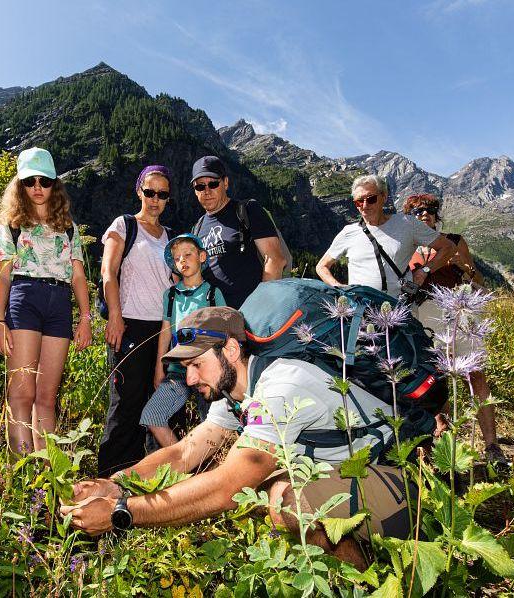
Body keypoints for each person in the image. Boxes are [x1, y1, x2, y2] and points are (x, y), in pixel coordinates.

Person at [62, 307, 411, 570]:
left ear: (230, 350)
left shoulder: (281, 385)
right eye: (185, 368)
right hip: (353, 481)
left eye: (196, 364)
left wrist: (122, 512)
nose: (189, 378)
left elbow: (227, 488)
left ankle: (362, 584)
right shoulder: (237, 392)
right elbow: (184, 452)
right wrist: (115, 484)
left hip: (402, 482)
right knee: (271, 493)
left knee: (283, 497)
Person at [0, 147, 92, 454]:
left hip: (59, 305)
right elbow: (3, 275)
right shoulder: (12, 224)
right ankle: (24, 475)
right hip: (24, 300)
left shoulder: (68, 227)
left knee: (47, 397)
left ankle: (46, 478)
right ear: (19, 186)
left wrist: (86, 318)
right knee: (21, 393)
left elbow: (77, 276)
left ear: (54, 185)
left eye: (44, 181)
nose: (37, 187)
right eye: (29, 181)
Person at [403, 193, 505, 464]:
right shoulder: (408, 248)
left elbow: (479, 282)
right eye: (416, 212)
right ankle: (444, 439)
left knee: (476, 375)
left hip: (460, 311)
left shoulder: (456, 242)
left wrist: (467, 270)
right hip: (424, 314)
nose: (423, 214)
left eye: (429, 210)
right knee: (435, 379)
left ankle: (492, 445)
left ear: (437, 215)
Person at [97, 165, 175, 476]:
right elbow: (108, 272)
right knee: (126, 407)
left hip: (164, 331)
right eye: (150, 192)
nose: (155, 199)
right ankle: (110, 481)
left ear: (168, 199)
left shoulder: (171, 237)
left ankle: (153, 486)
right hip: (129, 324)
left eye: (162, 194)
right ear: (139, 191)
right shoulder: (124, 225)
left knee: (161, 408)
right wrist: (115, 315)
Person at [140, 234, 226, 449]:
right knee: (152, 415)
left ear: (202, 257)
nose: (182, 261)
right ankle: (183, 463)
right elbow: (166, 331)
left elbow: (225, 331)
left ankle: (210, 471)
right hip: (178, 370)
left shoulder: (213, 294)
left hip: (208, 371)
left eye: (188, 255)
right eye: (177, 258)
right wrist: (160, 367)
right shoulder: (170, 295)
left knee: (210, 423)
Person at [316, 174, 455, 300]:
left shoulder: (407, 223)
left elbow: (448, 247)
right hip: (360, 311)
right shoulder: (348, 232)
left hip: (400, 308)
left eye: (371, 199)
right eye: (359, 201)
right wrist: (340, 288)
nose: (365, 205)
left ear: (384, 197)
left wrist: (425, 271)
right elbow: (322, 266)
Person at [190, 156, 286, 309]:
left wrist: (262, 308)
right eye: (200, 187)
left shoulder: (247, 210)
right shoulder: (197, 227)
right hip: (214, 318)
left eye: (213, 184)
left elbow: (275, 259)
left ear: (225, 183)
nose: (207, 191)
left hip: (250, 314)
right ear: (195, 191)